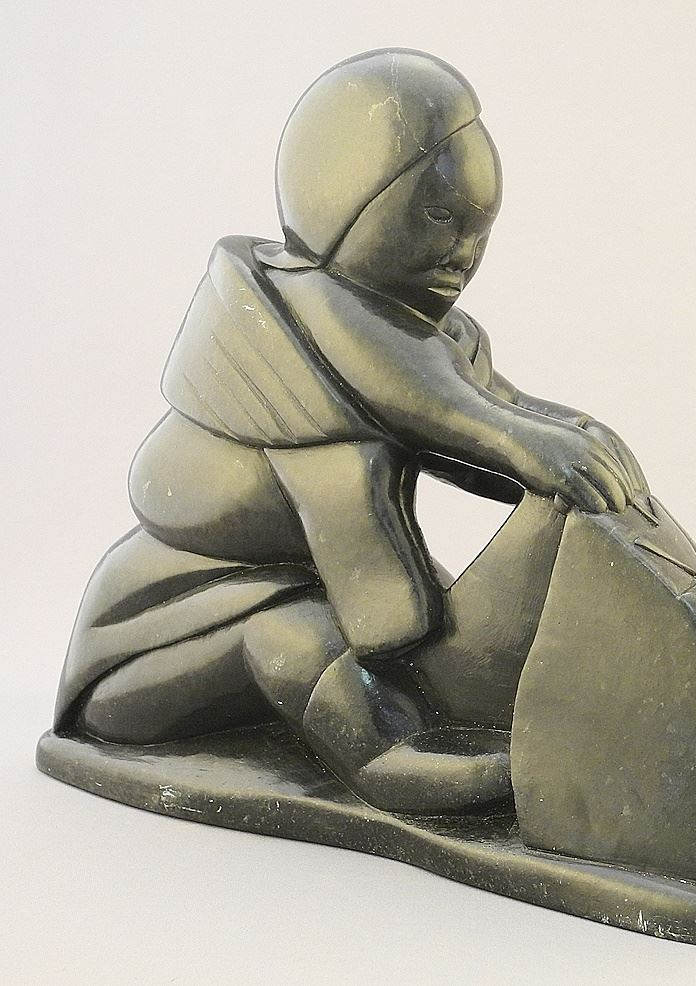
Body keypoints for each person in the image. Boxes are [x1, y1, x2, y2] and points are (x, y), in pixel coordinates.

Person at [53, 49, 649, 815]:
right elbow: (454, 419)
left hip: (292, 599)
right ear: (345, 201)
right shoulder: (283, 335)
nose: (463, 252)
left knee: (413, 608)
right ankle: (384, 755)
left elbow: (485, 419)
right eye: (438, 216)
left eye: (479, 228)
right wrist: (520, 440)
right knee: (294, 636)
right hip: (150, 653)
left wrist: (564, 436)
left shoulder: (425, 344)